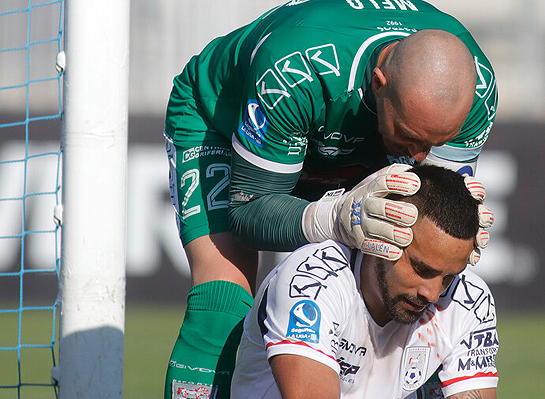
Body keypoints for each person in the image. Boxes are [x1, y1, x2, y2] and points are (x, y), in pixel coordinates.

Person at [163, 0, 497, 397]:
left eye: (436, 142)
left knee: (409, 289)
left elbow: (426, 218)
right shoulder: (294, 70)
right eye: (409, 135)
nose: (420, 156)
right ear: (379, 83)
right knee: (222, 300)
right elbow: (249, 211)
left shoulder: (477, 89)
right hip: (222, 123)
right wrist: (336, 216)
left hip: (348, 138)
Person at [231, 164, 498, 399]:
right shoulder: (311, 281)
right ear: (382, 236)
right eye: (420, 268)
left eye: (448, 277)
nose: (432, 293)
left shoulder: (470, 299)